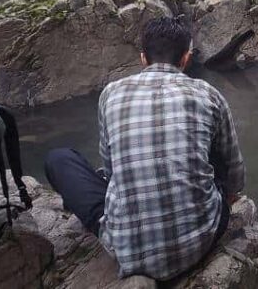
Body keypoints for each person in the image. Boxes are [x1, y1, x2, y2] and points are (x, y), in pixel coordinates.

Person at [44, 17, 245, 280]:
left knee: (59, 159)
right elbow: (234, 168)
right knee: (217, 145)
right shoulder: (208, 94)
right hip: (199, 242)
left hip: (126, 250)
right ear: (185, 59)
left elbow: (112, 169)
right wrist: (226, 197)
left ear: (142, 58)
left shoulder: (111, 93)